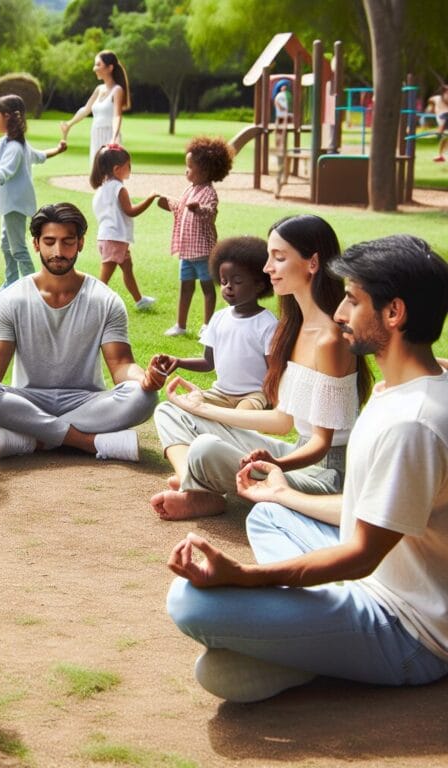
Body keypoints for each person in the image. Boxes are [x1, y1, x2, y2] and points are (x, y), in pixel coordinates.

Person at [166, 234, 448, 704]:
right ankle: (311, 643)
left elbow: (360, 556)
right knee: (268, 513)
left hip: (407, 629)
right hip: (374, 578)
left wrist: (244, 575)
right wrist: (281, 492)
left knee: (188, 601)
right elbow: (369, 509)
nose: (339, 314)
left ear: (394, 313)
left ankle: (313, 643)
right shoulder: (410, 388)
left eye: (353, 301)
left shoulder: (412, 424)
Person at [152, 214, 373, 520]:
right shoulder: (292, 327)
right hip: (297, 452)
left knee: (205, 450)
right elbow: (284, 421)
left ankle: (199, 486)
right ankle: (198, 490)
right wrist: (199, 406)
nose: (268, 268)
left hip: (324, 478)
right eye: (269, 257)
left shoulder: (330, 340)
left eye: (278, 258)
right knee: (171, 412)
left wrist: (275, 466)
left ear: (312, 263)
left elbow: (322, 445)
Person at [0, 202, 167, 462]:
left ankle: (33, 438)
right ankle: (84, 442)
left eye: (68, 242)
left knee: (143, 397)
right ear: (36, 244)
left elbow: (122, 365)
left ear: (80, 243)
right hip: (27, 401)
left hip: (86, 401)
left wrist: (144, 379)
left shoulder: (105, 300)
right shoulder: (11, 299)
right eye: (49, 241)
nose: (58, 251)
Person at [158, 236, 277, 411]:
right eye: (223, 281)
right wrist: (179, 361)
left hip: (253, 396)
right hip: (219, 393)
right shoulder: (218, 318)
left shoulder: (267, 324)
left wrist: (274, 401)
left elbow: (274, 370)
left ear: (259, 285)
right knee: (173, 408)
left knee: (240, 417)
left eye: (237, 282)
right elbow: (208, 362)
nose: (228, 287)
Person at [0, 94, 67, 294]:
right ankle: (11, 283)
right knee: (6, 244)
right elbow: (39, 156)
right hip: (10, 203)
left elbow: (5, 171)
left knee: (17, 248)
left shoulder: (15, 147)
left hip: (15, 204)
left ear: (8, 117)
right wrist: (57, 149)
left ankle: (34, 288)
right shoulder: (11, 142)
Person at [158, 137, 233, 338]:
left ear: (206, 171)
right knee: (185, 287)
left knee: (207, 289)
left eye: (190, 167)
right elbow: (181, 207)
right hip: (187, 251)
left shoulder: (209, 193)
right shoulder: (189, 189)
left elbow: (210, 213)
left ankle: (207, 325)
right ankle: (180, 325)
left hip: (203, 252)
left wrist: (199, 209)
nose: (186, 171)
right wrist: (168, 204)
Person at [90, 143, 158, 311]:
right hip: (115, 239)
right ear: (117, 169)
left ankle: (139, 300)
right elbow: (131, 211)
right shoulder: (119, 188)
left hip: (107, 237)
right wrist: (150, 198)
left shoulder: (101, 189)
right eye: (128, 165)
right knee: (105, 276)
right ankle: (91, 303)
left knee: (127, 269)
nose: (130, 169)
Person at [60, 50, 131, 164]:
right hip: (96, 135)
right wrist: (69, 123)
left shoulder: (117, 90)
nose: (94, 68)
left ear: (110, 68)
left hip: (109, 136)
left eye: (98, 65)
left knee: (109, 176)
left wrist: (114, 138)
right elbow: (85, 110)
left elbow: (117, 116)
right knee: (96, 175)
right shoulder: (99, 89)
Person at [425, 84, 448, 162]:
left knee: (445, 138)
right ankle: (440, 130)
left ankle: (441, 155)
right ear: (444, 93)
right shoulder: (437, 98)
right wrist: (431, 107)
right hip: (442, 118)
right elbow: (430, 100)